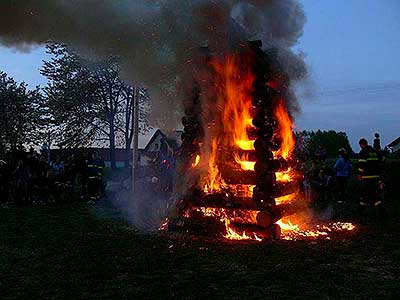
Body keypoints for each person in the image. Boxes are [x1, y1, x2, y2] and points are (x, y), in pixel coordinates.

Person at [357, 138, 384, 217]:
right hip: (376, 177)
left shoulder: (363, 152)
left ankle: (361, 212)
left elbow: (361, 165)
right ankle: (380, 212)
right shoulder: (375, 152)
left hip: (366, 177)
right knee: (375, 194)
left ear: (361, 145)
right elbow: (382, 160)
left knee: (364, 194)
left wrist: (359, 174)